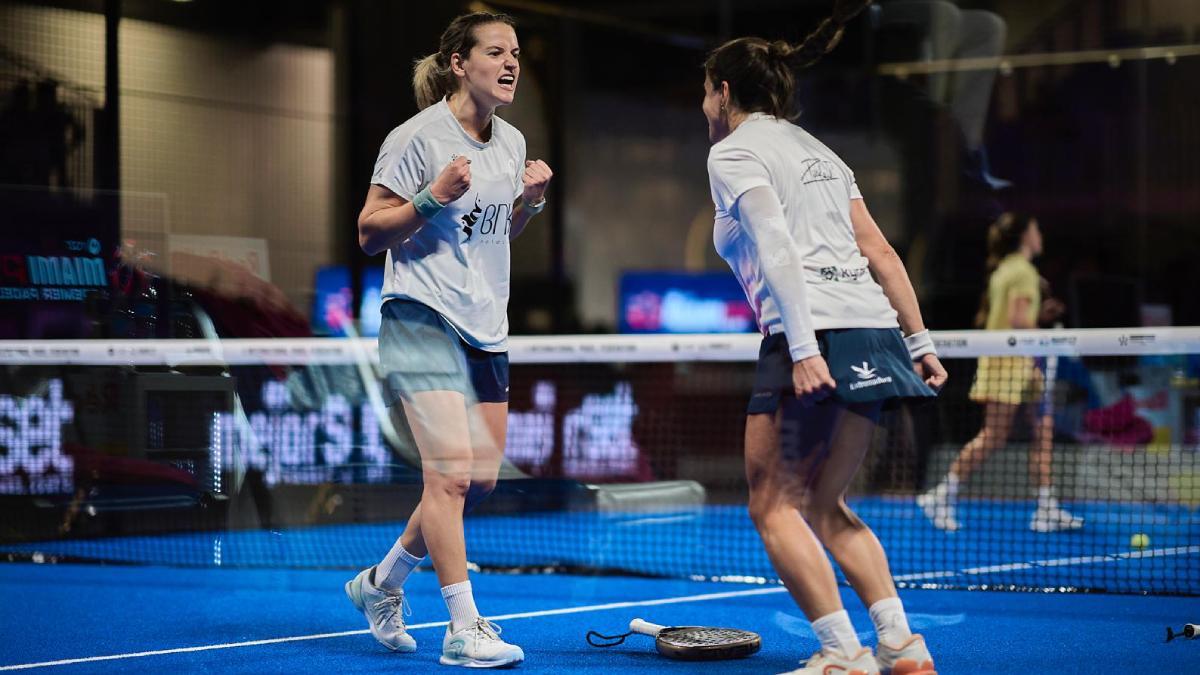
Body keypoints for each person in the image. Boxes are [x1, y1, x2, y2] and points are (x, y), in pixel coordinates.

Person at [702, 2, 948, 673]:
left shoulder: (734, 151)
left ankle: (841, 653)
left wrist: (805, 349)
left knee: (773, 504)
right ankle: (901, 644)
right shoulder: (824, 155)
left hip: (813, 333)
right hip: (872, 330)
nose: (704, 104)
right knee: (824, 501)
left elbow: (776, 241)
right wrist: (919, 342)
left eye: (706, 91)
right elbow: (880, 252)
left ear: (724, 90)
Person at [345, 11, 552, 669]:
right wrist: (431, 197)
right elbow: (368, 232)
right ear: (460, 63)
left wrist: (529, 204)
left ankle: (381, 583)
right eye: (496, 51)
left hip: (485, 326)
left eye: (515, 52)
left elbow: (494, 232)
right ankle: (463, 628)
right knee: (450, 476)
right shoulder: (415, 138)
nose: (511, 63)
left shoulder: (513, 143)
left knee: (478, 481)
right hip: (419, 315)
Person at [918, 213, 1082, 533]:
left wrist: (1039, 315)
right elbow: (1019, 322)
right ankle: (940, 495)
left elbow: (1013, 317)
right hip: (1012, 363)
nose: (1040, 235)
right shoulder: (1023, 271)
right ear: (1025, 236)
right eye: (1036, 229)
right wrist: (1051, 337)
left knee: (1043, 431)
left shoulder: (1005, 269)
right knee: (994, 436)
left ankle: (1046, 507)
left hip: (1017, 362)